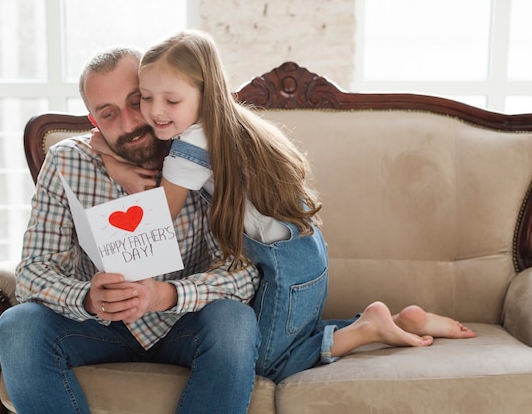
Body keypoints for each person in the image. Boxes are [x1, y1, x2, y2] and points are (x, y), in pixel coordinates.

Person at [92, 29, 476, 384]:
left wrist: (116, 167)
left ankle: (367, 329)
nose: (155, 110)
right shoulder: (233, 124)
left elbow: (155, 220)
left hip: (285, 267)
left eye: (171, 100)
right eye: (146, 96)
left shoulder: (191, 148)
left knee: (263, 362)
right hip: (302, 252)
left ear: (204, 96)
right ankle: (395, 320)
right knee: (282, 337)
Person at [0, 46, 262, 414]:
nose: (129, 123)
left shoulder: (199, 152)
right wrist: (87, 297)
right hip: (100, 328)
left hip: (184, 322)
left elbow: (242, 273)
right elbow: (32, 273)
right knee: (17, 324)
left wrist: (166, 295)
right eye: (109, 114)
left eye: (136, 102)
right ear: (94, 122)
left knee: (234, 321)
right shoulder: (66, 162)